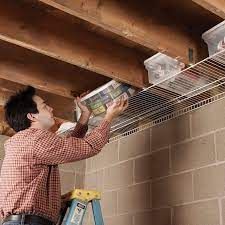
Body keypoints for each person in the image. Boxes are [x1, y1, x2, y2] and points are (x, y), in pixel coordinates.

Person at [0, 86, 128, 225]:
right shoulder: (36, 140)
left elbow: (66, 147)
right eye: (44, 106)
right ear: (32, 116)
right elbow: (87, 147)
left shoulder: (26, 141)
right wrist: (109, 117)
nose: (51, 109)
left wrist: (85, 115)